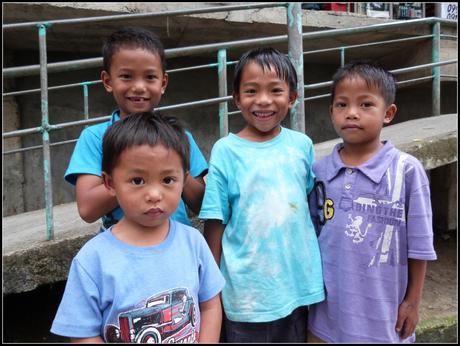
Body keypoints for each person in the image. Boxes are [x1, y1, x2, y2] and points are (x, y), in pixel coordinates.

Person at [51, 112, 225, 343]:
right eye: (137, 181)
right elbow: (83, 335)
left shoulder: (193, 241)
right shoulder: (92, 260)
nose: (154, 194)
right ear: (110, 183)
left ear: (183, 180)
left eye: (167, 180)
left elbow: (210, 305)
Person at [199, 47, 325, 343]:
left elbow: (307, 208)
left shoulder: (301, 145)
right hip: (246, 296)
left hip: (296, 288)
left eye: (275, 90)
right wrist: (210, 290)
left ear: (292, 98)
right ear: (237, 98)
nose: (264, 101)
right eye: (252, 91)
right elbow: (215, 222)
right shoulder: (226, 151)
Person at [307, 61, 437, 343]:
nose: (351, 113)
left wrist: (412, 302)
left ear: (388, 113)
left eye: (366, 105)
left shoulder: (406, 171)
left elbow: (420, 246)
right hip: (325, 319)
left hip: (383, 320)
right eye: (342, 105)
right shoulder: (319, 173)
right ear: (331, 113)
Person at [65, 26, 207, 231]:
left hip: (176, 244)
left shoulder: (179, 136)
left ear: (163, 82)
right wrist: (136, 176)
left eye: (150, 77)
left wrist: (174, 170)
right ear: (107, 81)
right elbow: (88, 209)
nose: (139, 86)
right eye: (126, 76)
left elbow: (202, 204)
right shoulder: (95, 137)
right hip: (122, 250)